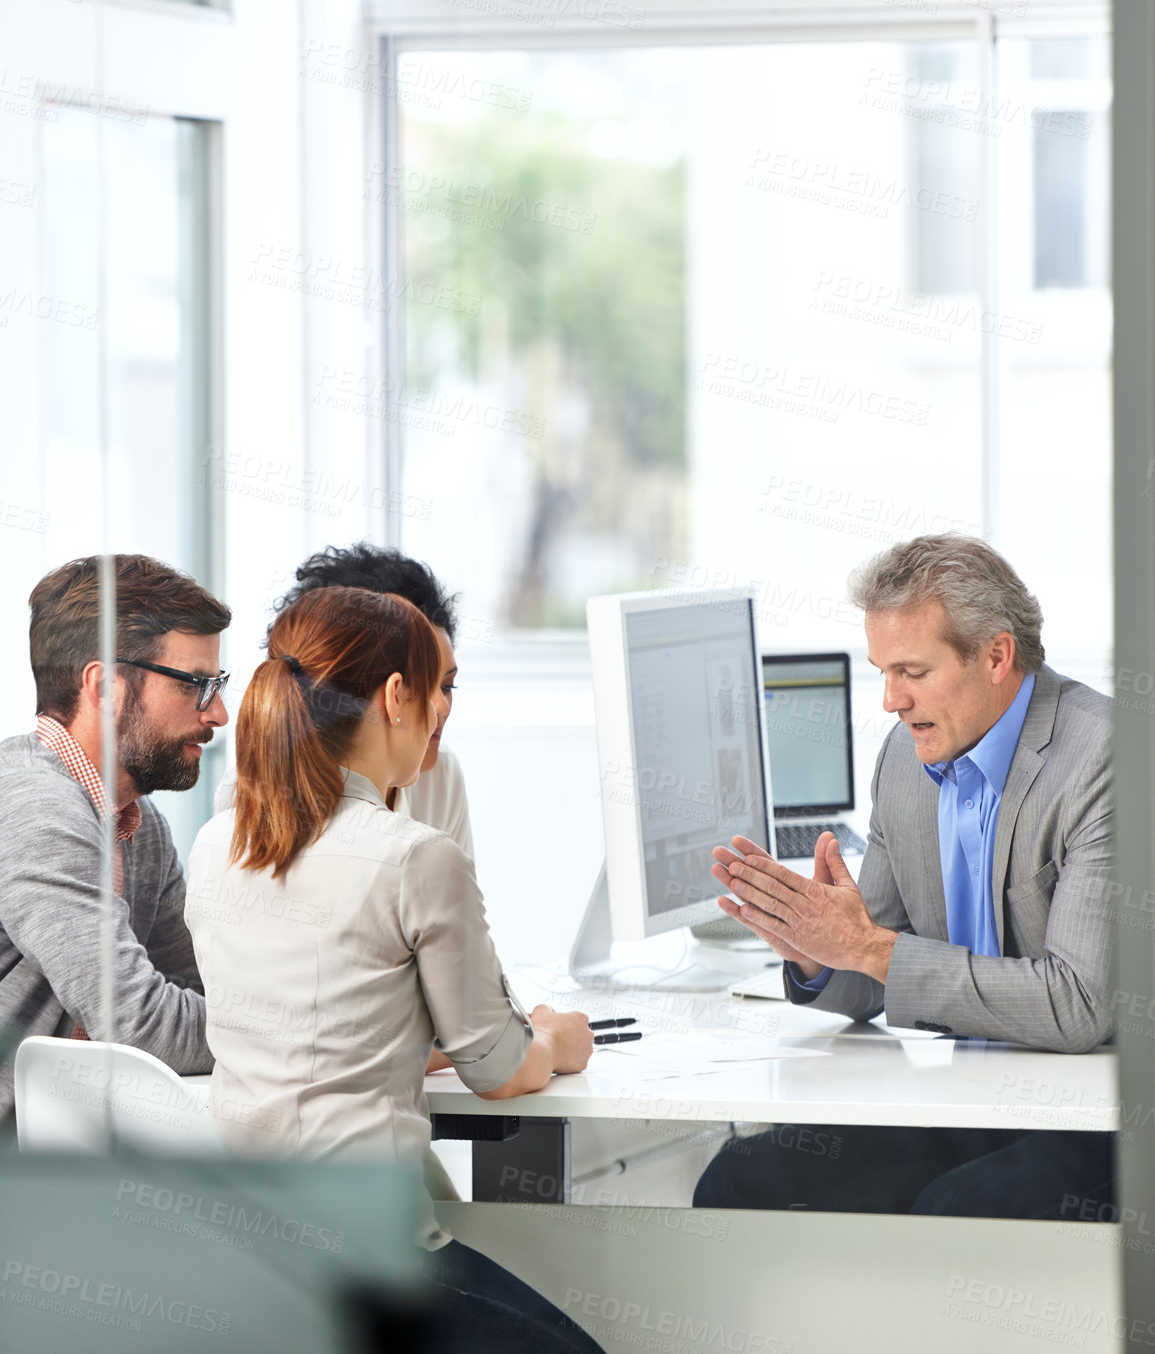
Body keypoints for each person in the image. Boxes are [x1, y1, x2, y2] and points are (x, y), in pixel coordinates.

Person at [185, 585, 599, 1354]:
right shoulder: (412, 855)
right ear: (394, 695)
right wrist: (558, 1040)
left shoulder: (216, 843)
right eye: (435, 687)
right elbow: (498, 1067)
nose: (443, 710)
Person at [695, 534, 1115, 1220]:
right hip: (969, 1097)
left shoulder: (1102, 758)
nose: (890, 699)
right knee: (737, 1179)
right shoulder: (905, 755)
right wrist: (818, 953)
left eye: (911, 671)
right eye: (881, 671)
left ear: (996, 656)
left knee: (951, 1210)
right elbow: (874, 965)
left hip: (1096, 1111)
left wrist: (867, 947)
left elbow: (1077, 1002)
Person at [0, 554, 231, 1122]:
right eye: (196, 686)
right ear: (104, 686)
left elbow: (205, 987)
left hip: (65, 1166)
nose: (220, 713)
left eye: (217, 684)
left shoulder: (139, 823)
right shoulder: (36, 809)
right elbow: (140, 1024)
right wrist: (314, 1039)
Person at [273, 543, 472, 856]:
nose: (441, 707)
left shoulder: (441, 776)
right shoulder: (263, 788)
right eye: (415, 684)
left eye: (447, 686)